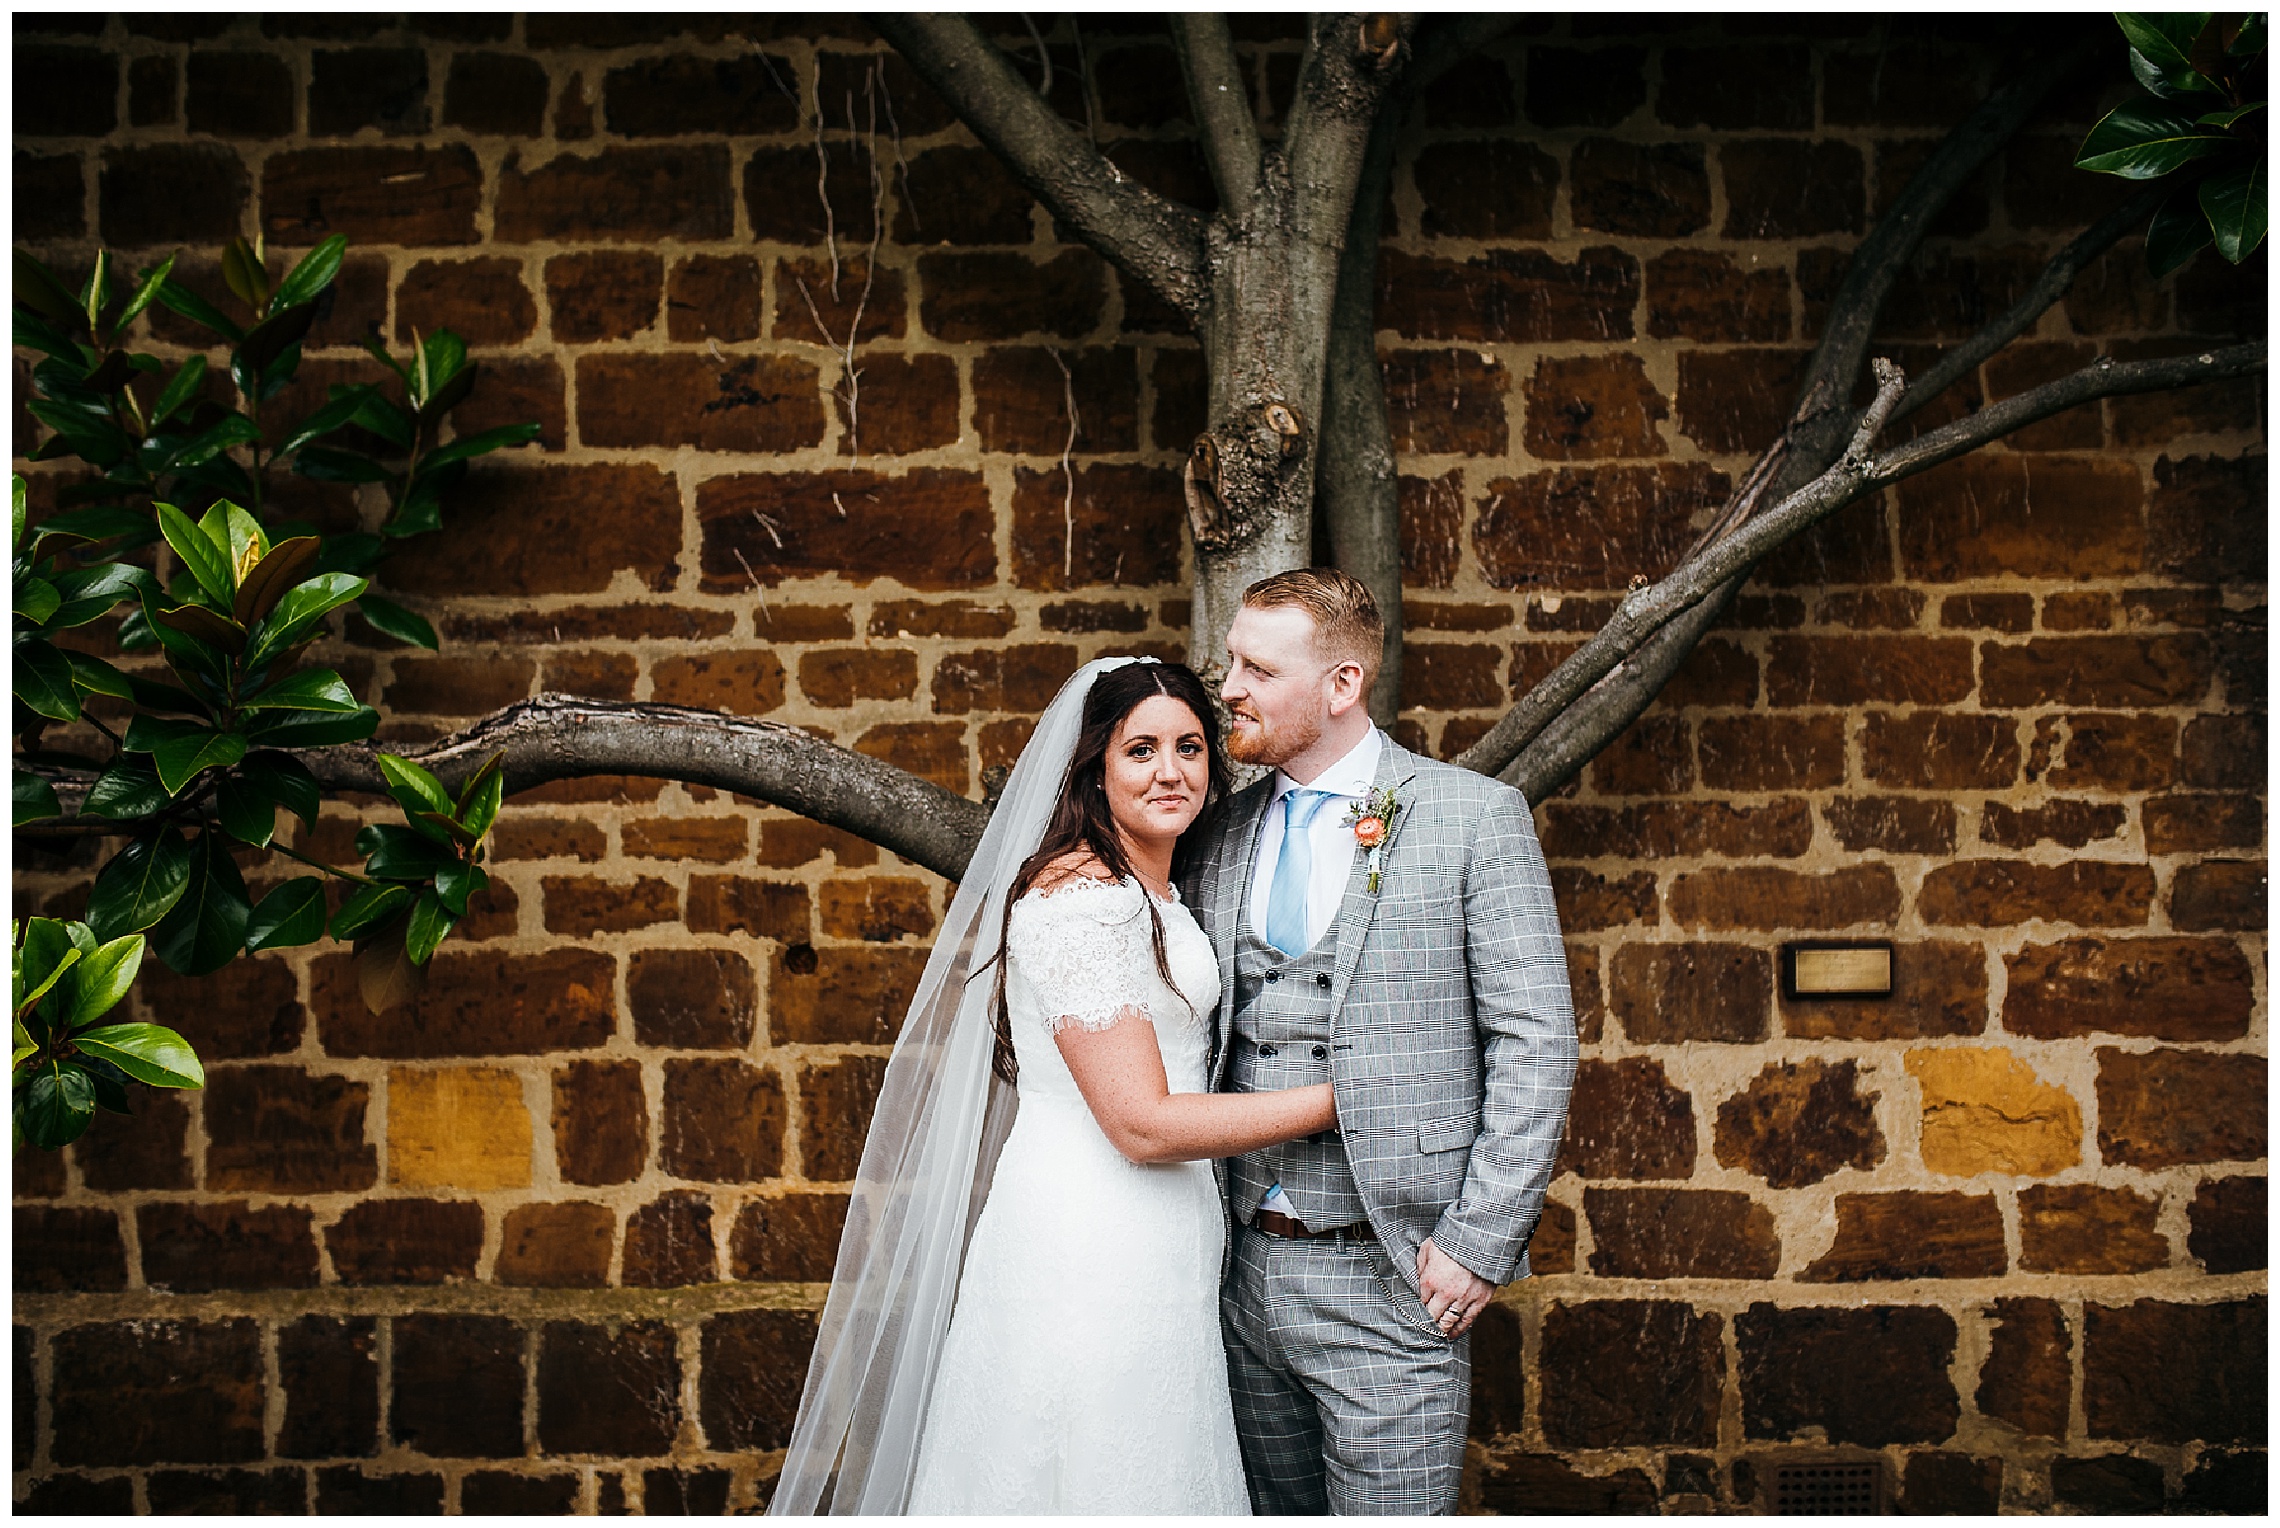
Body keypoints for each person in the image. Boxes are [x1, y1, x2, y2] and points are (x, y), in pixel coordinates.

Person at [771, 657, 1336, 1516]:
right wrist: (1340, 1099)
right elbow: (1139, 1123)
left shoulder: (1157, 887)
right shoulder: (1081, 895)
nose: (1171, 770)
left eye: (1189, 747)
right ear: (1095, 767)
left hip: (1166, 1231)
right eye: (1140, 750)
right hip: (1090, 1232)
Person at [1186, 568, 1576, 1516]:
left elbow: (1538, 1041)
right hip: (1234, 1283)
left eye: (1257, 668)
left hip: (1391, 1274)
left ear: (1342, 686)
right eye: (1231, 660)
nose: (1229, 687)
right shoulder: (1217, 831)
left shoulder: (1474, 819)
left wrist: (1477, 1243)